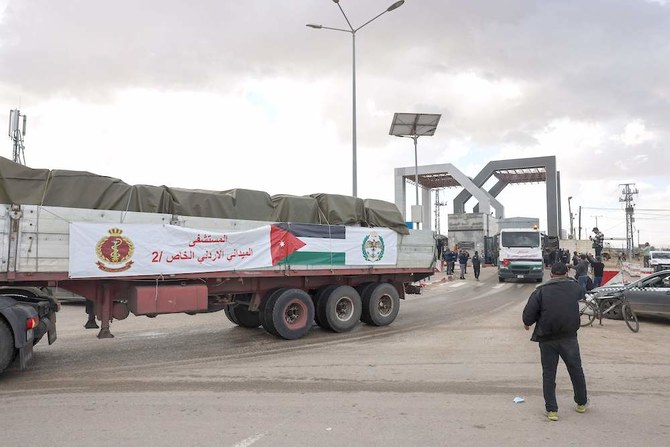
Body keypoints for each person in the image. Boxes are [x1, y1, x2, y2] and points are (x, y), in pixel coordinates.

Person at [522, 262, 588, 421]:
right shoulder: (575, 287)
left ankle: (552, 410)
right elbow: (583, 294)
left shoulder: (541, 291)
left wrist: (527, 323)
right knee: (576, 370)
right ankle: (581, 403)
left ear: (550, 275)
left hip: (547, 338)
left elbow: (528, 314)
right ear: (566, 273)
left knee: (549, 374)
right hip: (569, 337)